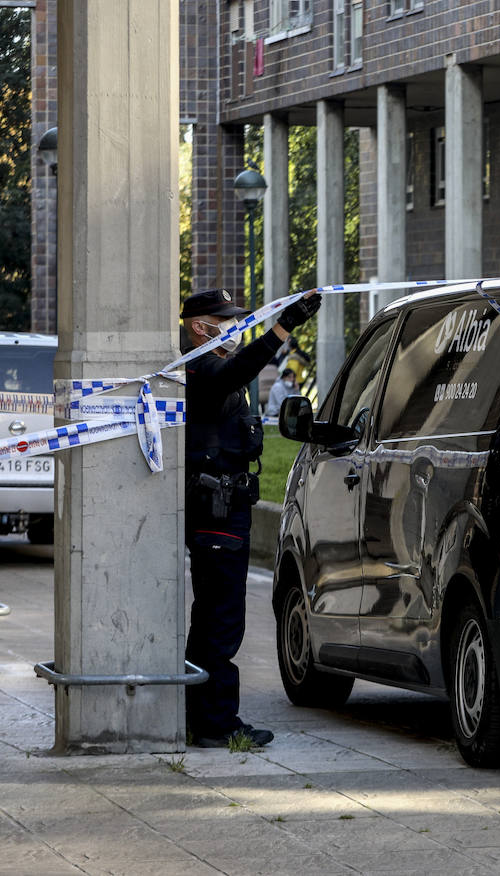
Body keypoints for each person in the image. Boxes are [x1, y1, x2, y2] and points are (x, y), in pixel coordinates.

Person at [181, 287, 321, 748]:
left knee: (214, 617)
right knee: (221, 620)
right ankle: (217, 723)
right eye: (227, 320)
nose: (236, 328)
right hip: (217, 511)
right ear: (201, 326)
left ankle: (203, 714)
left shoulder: (214, 365)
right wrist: (282, 327)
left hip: (228, 507)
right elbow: (236, 369)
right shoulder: (201, 365)